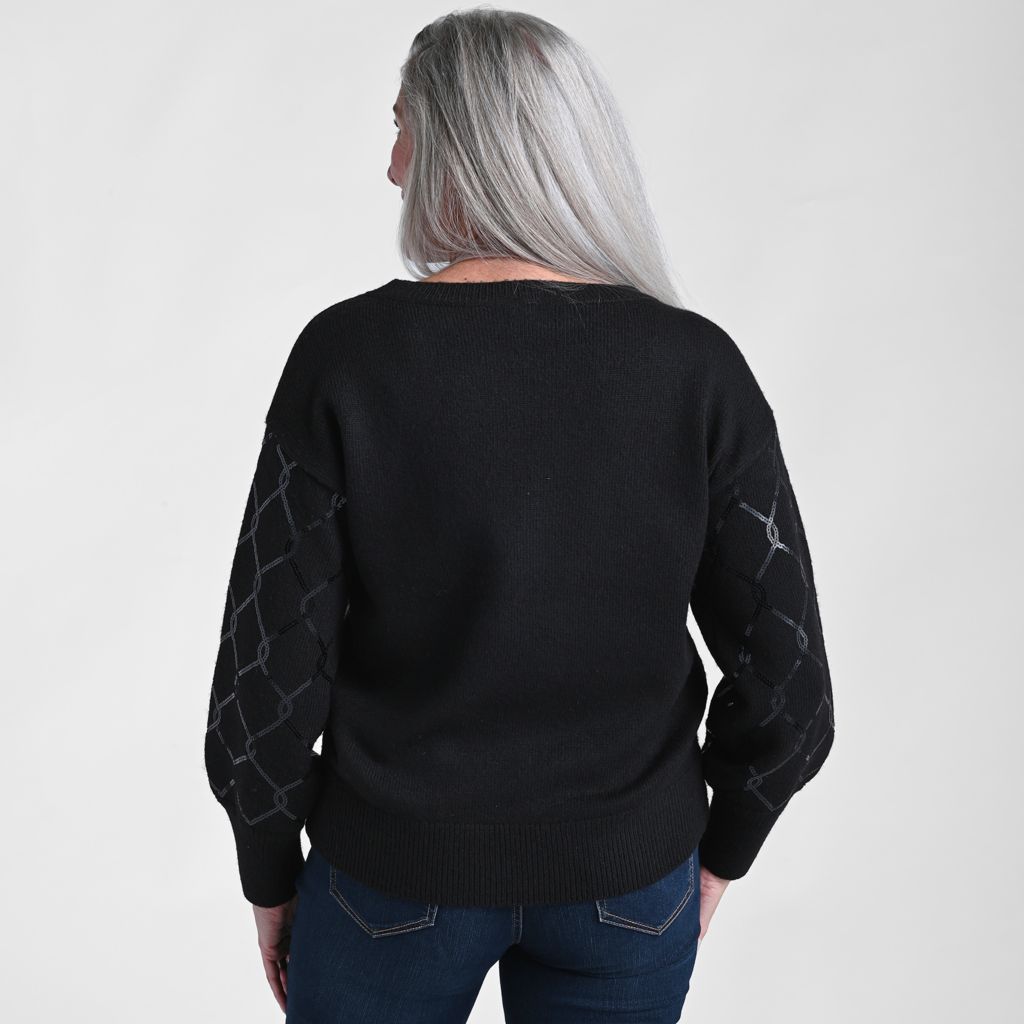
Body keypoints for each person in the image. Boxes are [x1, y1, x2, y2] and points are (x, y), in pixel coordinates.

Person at [203, 8, 836, 1023]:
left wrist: (269, 872)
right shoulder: (697, 369)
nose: (392, 166)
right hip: (628, 886)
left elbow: (265, 688)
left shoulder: (348, 358)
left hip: (387, 884)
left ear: (465, 147)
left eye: (403, 127)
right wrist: (718, 859)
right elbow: (791, 690)